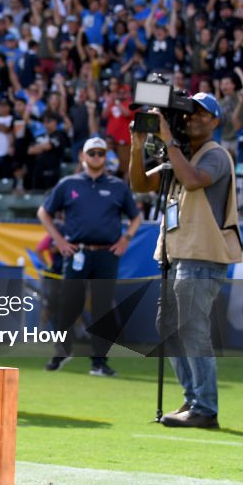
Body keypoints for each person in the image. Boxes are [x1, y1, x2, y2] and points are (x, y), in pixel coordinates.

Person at [129, 93, 241, 429]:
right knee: (168, 329)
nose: (192, 117)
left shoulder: (215, 155)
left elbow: (192, 181)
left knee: (192, 329)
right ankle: (193, 400)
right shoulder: (179, 154)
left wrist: (168, 141)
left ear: (215, 122)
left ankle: (205, 408)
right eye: (189, 112)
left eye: (202, 114)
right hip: (177, 255)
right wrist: (138, 146)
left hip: (202, 256)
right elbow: (140, 184)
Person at [37, 136, 142, 376]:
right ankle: (62, 351)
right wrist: (59, 240)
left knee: (102, 308)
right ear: (82, 156)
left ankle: (99, 362)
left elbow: (135, 216)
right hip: (77, 251)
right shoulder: (68, 184)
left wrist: (126, 239)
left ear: (106, 157)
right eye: (92, 153)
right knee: (67, 305)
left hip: (106, 253)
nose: (96, 157)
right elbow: (44, 212)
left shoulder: (117, 186)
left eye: (100, 153)